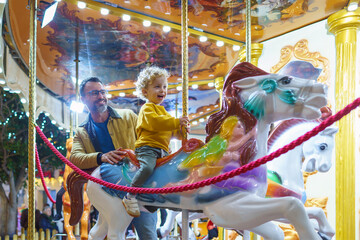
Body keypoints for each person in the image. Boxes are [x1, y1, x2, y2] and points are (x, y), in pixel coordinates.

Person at [70, 76, 158, 240]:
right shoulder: (82, 131)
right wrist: (101, 157)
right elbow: (75, 157)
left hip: (136, 186)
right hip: (108, 190)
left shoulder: (128, 117)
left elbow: (148, 138)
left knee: (147, 234)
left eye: (102, 92)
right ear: (83, 99)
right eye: (95, 93)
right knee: (110, 232)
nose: (101, 96)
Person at [122, 66, 189, 217]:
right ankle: (130, 196)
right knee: (147, 168)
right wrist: (176, 121)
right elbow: (156, 123)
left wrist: (181, 131)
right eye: (157, 86)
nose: (162, 90)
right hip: (147, 148)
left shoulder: (163, 111)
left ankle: (153, 199)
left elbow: (171, 132)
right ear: (145, 92)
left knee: (169, 174)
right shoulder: (147, 109)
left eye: (165, 86)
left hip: (163, 150)